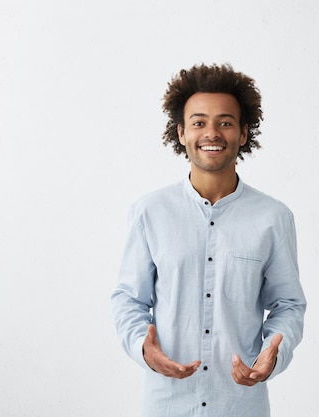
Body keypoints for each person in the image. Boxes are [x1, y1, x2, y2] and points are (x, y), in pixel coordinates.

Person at [111, 63, 306, 417]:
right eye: (199, 122)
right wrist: (143, 348)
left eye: (225, 122)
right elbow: (128, 298)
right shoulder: (149, 212)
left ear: (244, 133)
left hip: (240, 405)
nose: (212, 133)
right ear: (182, 132)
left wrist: (273, 355)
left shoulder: (273, 218)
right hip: (166, 405)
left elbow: (288, 305)